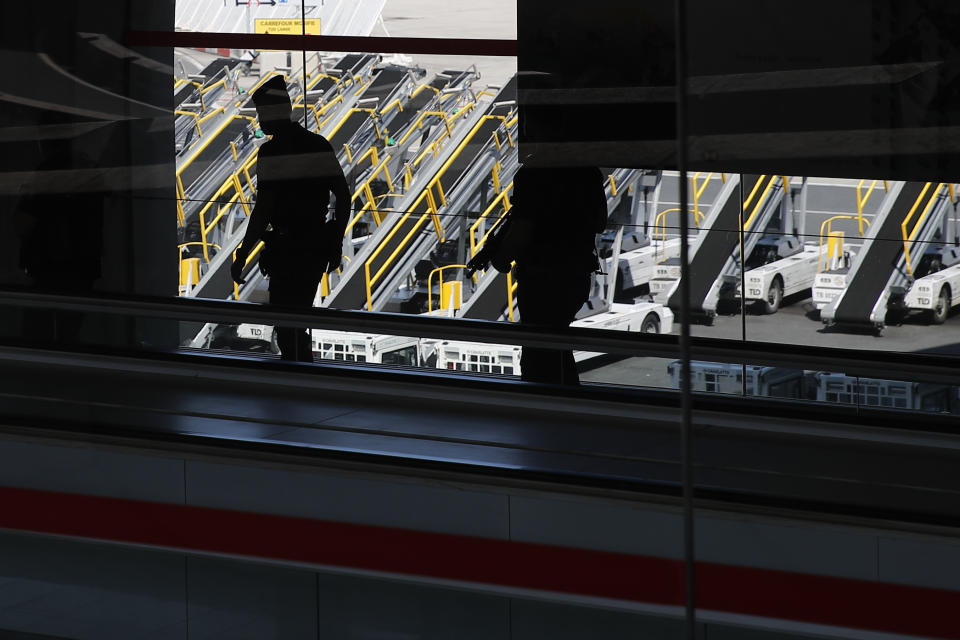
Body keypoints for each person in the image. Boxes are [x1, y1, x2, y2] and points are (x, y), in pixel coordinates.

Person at [231, 76, 351, 361]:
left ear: (274, 112)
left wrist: (243, 253)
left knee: (286, 325)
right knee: (297, 323)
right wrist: (334, 240)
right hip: (312, 248)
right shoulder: (318, 144)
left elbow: (264, 209)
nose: (259, 121)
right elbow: (343, 198)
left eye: (261, 114)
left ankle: (296, 374)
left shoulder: (271, 152)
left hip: (285, 250)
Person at [468, 164, 606, 384]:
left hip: (540, 280)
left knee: (537, 351)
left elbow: (521, 228)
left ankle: (541, 401)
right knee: (557, 345)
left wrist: (501, 258)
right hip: (575, 276)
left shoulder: (533, 173)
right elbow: (600, 223)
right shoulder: (588, 172)